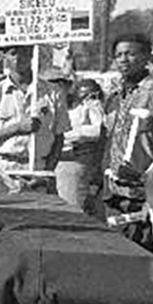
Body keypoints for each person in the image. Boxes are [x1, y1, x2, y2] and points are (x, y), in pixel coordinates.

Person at [103, 33, 153, 251]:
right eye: (119, 55)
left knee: (145, 255)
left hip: (145, 192)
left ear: (146, 57)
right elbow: (108, 138)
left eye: (130, 54)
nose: (123, 59)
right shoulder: (114, 94)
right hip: (114, 191)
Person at [0, 45, 70, 193]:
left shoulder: (52, 93)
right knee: (4, 214)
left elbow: (58, 137)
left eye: (24, 52)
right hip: (3, 169)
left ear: (32, 54)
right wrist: (15, 129)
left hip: (38, 167)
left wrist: (46, 172)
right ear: (4, 56)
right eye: (13, 53)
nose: (18, 58)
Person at [56, 78, 105, 216]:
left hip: (75, 161)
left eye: (61, 83)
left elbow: (100, 130)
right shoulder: (52, 104)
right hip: (53, 161)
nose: (57, 86)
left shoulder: (88, 106)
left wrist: (71, 134)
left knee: (71, 210)